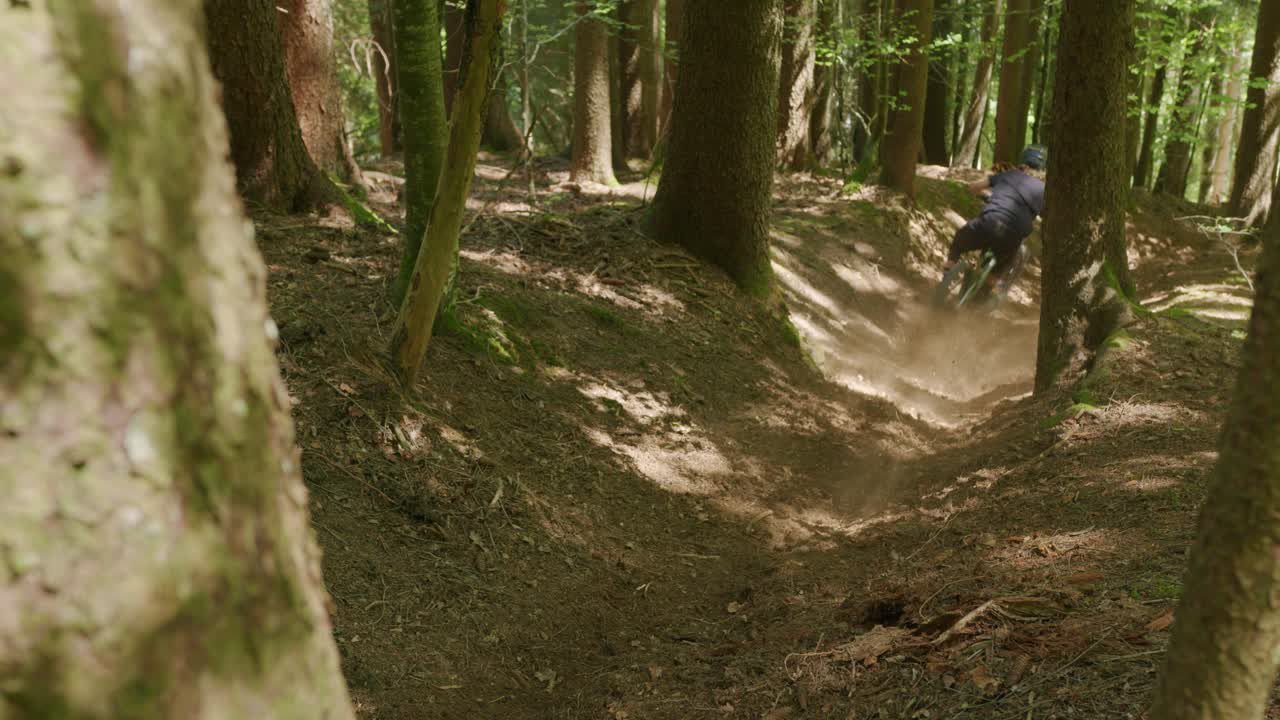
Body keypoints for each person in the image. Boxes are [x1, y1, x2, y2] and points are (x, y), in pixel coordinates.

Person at [943, 145, 1046, 298]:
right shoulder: (1043, 190)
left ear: (1022, 159)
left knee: (959, 240)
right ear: (1042, 167)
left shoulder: (1008, 174)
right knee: (1000, 266)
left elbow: (974, 187)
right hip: (1013, 235)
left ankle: (946, 278)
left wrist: (985, 195)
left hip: (988, 222)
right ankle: (980, 298)